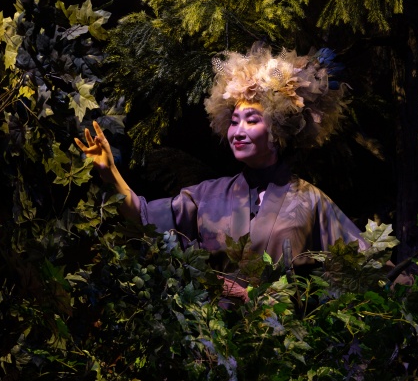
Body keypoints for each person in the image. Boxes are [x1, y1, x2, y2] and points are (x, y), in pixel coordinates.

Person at [75, 42, 367, 283]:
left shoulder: (310, 201)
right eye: (234, 121)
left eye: (251, 120)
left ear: (278, 126)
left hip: (281, 333)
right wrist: (110, 172)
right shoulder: (206, 196)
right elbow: (144, 218)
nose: (238, 131)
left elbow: (366, 268)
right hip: (213, 334)